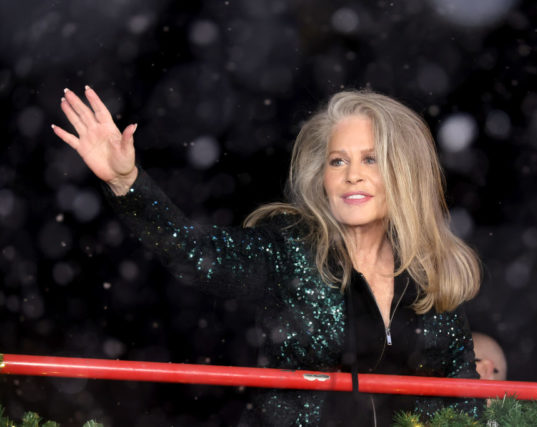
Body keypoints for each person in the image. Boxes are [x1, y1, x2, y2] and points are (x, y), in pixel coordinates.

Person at [52, 86, 483, 426]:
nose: (352, 174)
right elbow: (194, 255)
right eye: (337, 161)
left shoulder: (431, 276)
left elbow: (463, 395)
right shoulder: (286, 252)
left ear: (402, 172)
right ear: (322, 176)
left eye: (371, 159)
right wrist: (129, 182)